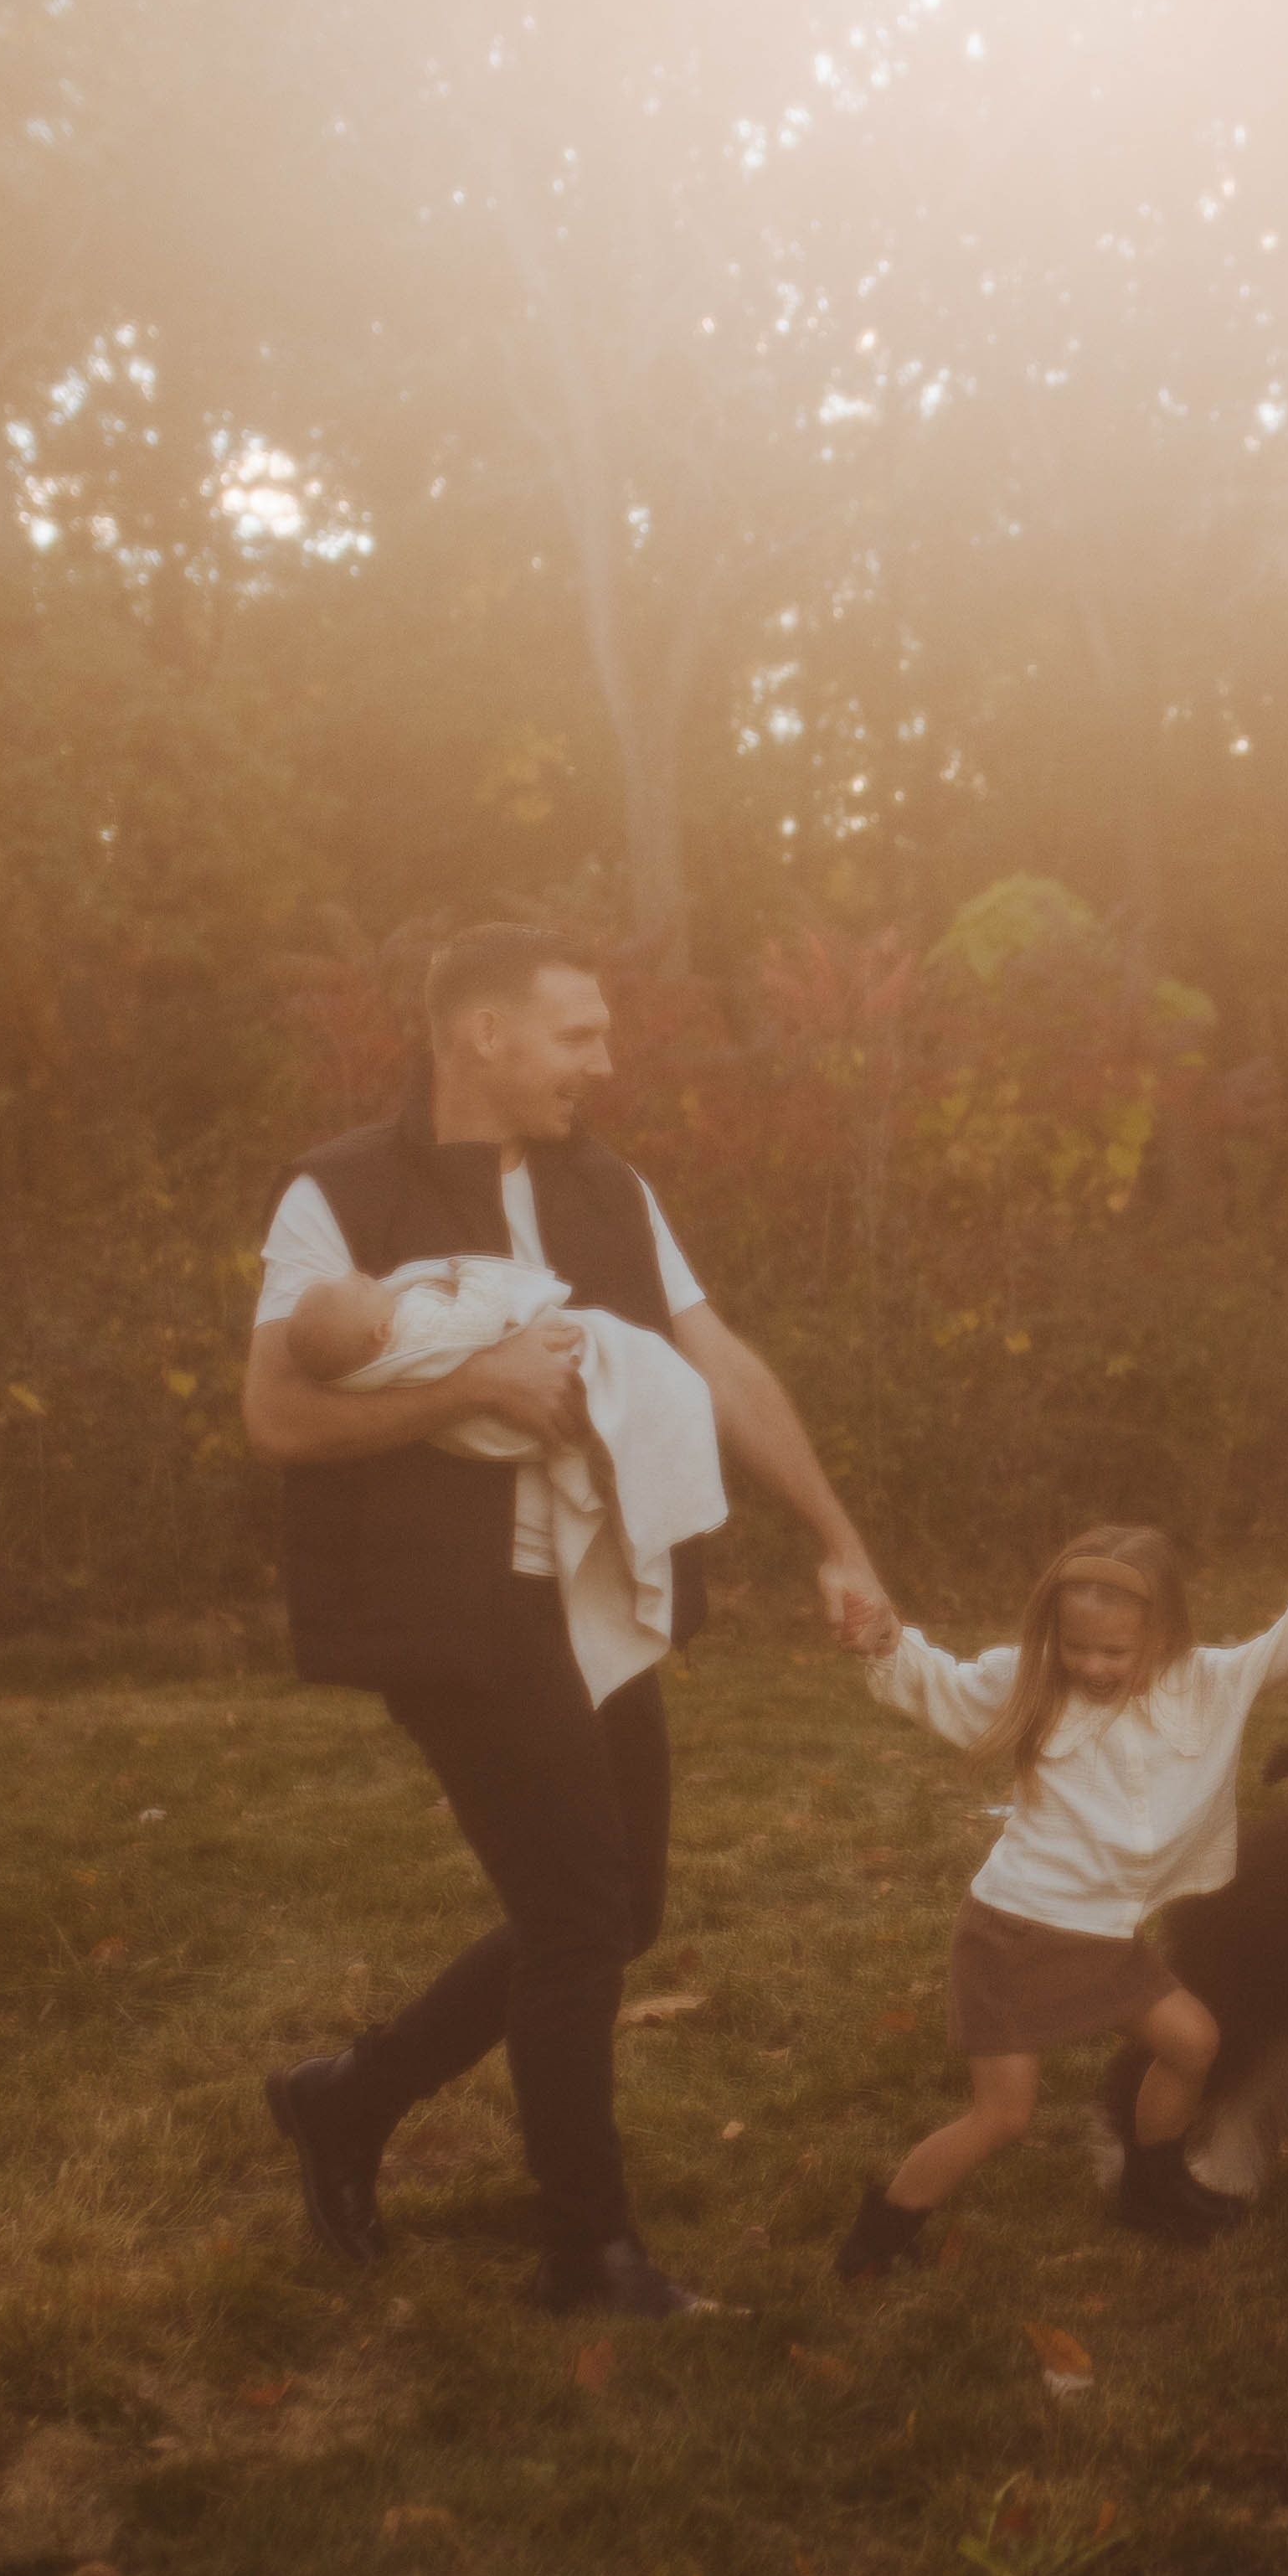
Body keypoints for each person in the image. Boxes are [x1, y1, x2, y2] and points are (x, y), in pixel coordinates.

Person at [245, 922, 889, 2320]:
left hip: (594, 1588)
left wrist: (838, 1540)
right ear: (482, 1033)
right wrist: (466, 1387)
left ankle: (345, 2100)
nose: (604, 1060)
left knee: (615, 1907)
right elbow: (279, 1411)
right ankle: (588, 2250)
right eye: (578, 1033)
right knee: (580, 1906)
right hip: (447, 1599)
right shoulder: (340, 1193)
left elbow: (717, 1360)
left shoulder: (609, 1186)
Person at [830, 1523, 1288, 2274]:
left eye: (1113, 1652)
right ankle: (880, 2237)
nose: (1090, 1665)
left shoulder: (1211, 1682)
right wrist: (887, 1639)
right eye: (1074, 1646)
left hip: (1104, 1938)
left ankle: (1152, 2189)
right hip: (1015, 1935)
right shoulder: (1031, 1683)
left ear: (1165, 1633)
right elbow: (941, 1685)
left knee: (1194, 2043)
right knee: (1004, 2117)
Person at [286, 1253, 727, 1708]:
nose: (361, 1275)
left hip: (489, 1434)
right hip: (515, 1407)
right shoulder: (415, 1329)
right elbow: (478, 1322)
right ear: (381, 1331)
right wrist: (475, 1273)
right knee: (631, 1361)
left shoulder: (377, 1362)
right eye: (359, 1289)